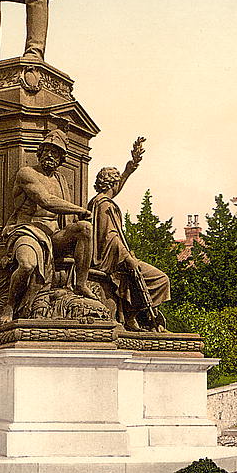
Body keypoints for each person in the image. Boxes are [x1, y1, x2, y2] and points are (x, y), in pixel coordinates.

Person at [1, 128, 95, 323]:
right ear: (40, 152)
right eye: (47, 151)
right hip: (29, 230)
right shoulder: (27, 173)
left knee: (85, 228)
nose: (50, 156)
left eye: (56, 153)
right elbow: (45, 200)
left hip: (53, 236)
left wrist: (77, 227)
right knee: (27, 266)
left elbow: (68, 221)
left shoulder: (60, 180)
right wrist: (78, 209)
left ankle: (81, 284)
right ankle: (10, 305)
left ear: (61, 158)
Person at [88, 139, 170, 331]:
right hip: (112, 258)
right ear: (113, 183)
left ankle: (132, 317)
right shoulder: (105, 205)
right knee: (161, 279)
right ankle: (136, 315)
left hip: (114, 255)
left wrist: (129, 169)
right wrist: (127, 258)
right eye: (117, 181)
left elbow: (115, 190)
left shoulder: (98, 201)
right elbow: (111, 237)